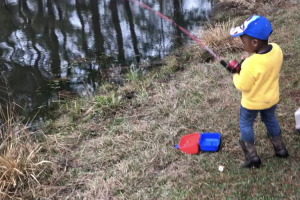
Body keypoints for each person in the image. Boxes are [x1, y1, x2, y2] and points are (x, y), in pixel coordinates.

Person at [230, 15, 289, 168]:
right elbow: (263, 63)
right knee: (270, 120)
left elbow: (243, 85)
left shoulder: (250, 64)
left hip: (251, 104)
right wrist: (250, 58)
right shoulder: (276, 50)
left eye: (244, 42)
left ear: (255, 42)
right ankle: (280, 148)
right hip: (270, 100)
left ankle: (252, 156)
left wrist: (235, 73)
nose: (243, 45)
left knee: (246, 124)